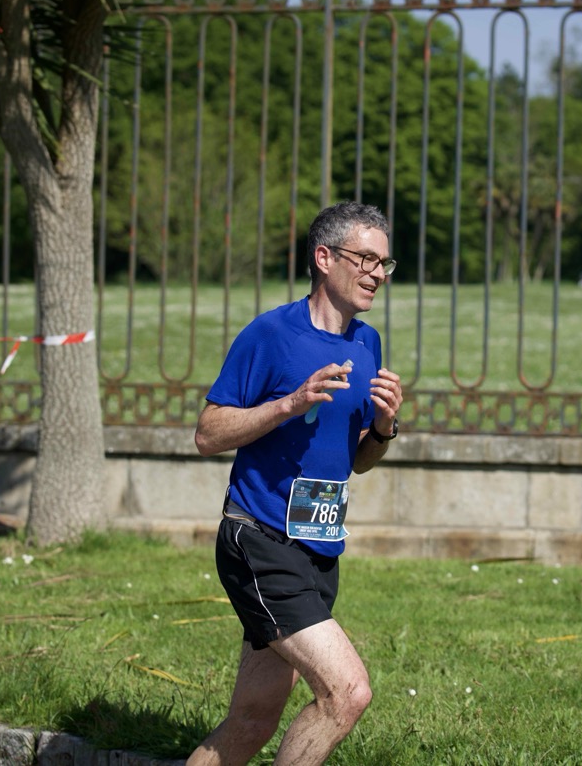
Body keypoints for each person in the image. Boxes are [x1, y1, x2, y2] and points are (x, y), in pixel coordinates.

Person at [187, 201, 403, 766]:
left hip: (318, 547)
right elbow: (208, 434)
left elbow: (359, 462)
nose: (378, 274)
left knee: (252, 719)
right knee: (346, 692)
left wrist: (385, 427)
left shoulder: (368, 344)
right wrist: (290, 403)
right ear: (324, 258)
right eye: (366, 259)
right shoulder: (271, 335)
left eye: (384, 263)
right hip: (259, 538)